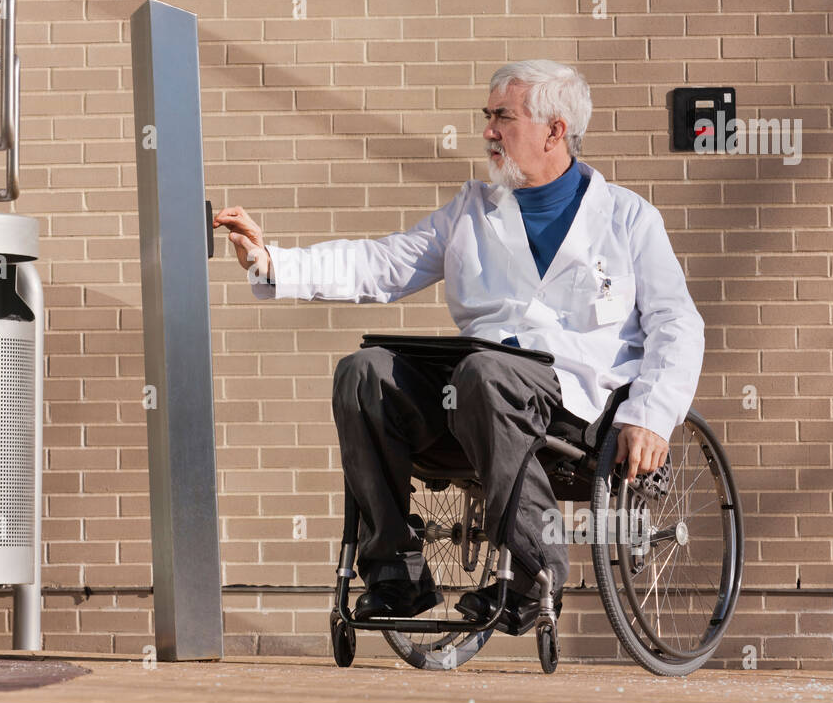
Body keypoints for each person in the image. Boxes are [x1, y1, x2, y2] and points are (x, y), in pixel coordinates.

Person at [213, 60, 705, 633]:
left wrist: (652, 415)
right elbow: (384, 262)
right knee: (364, 370)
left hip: (577, 417)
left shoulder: (627, 219)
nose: (488, 131)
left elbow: (677, 323)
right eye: (486, 117)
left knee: (484, 372)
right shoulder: (472, 209)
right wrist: (273, 262)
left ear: (555, 130)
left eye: (503, 117)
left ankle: (533, 573)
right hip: (472, 407)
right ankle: (395, 572)